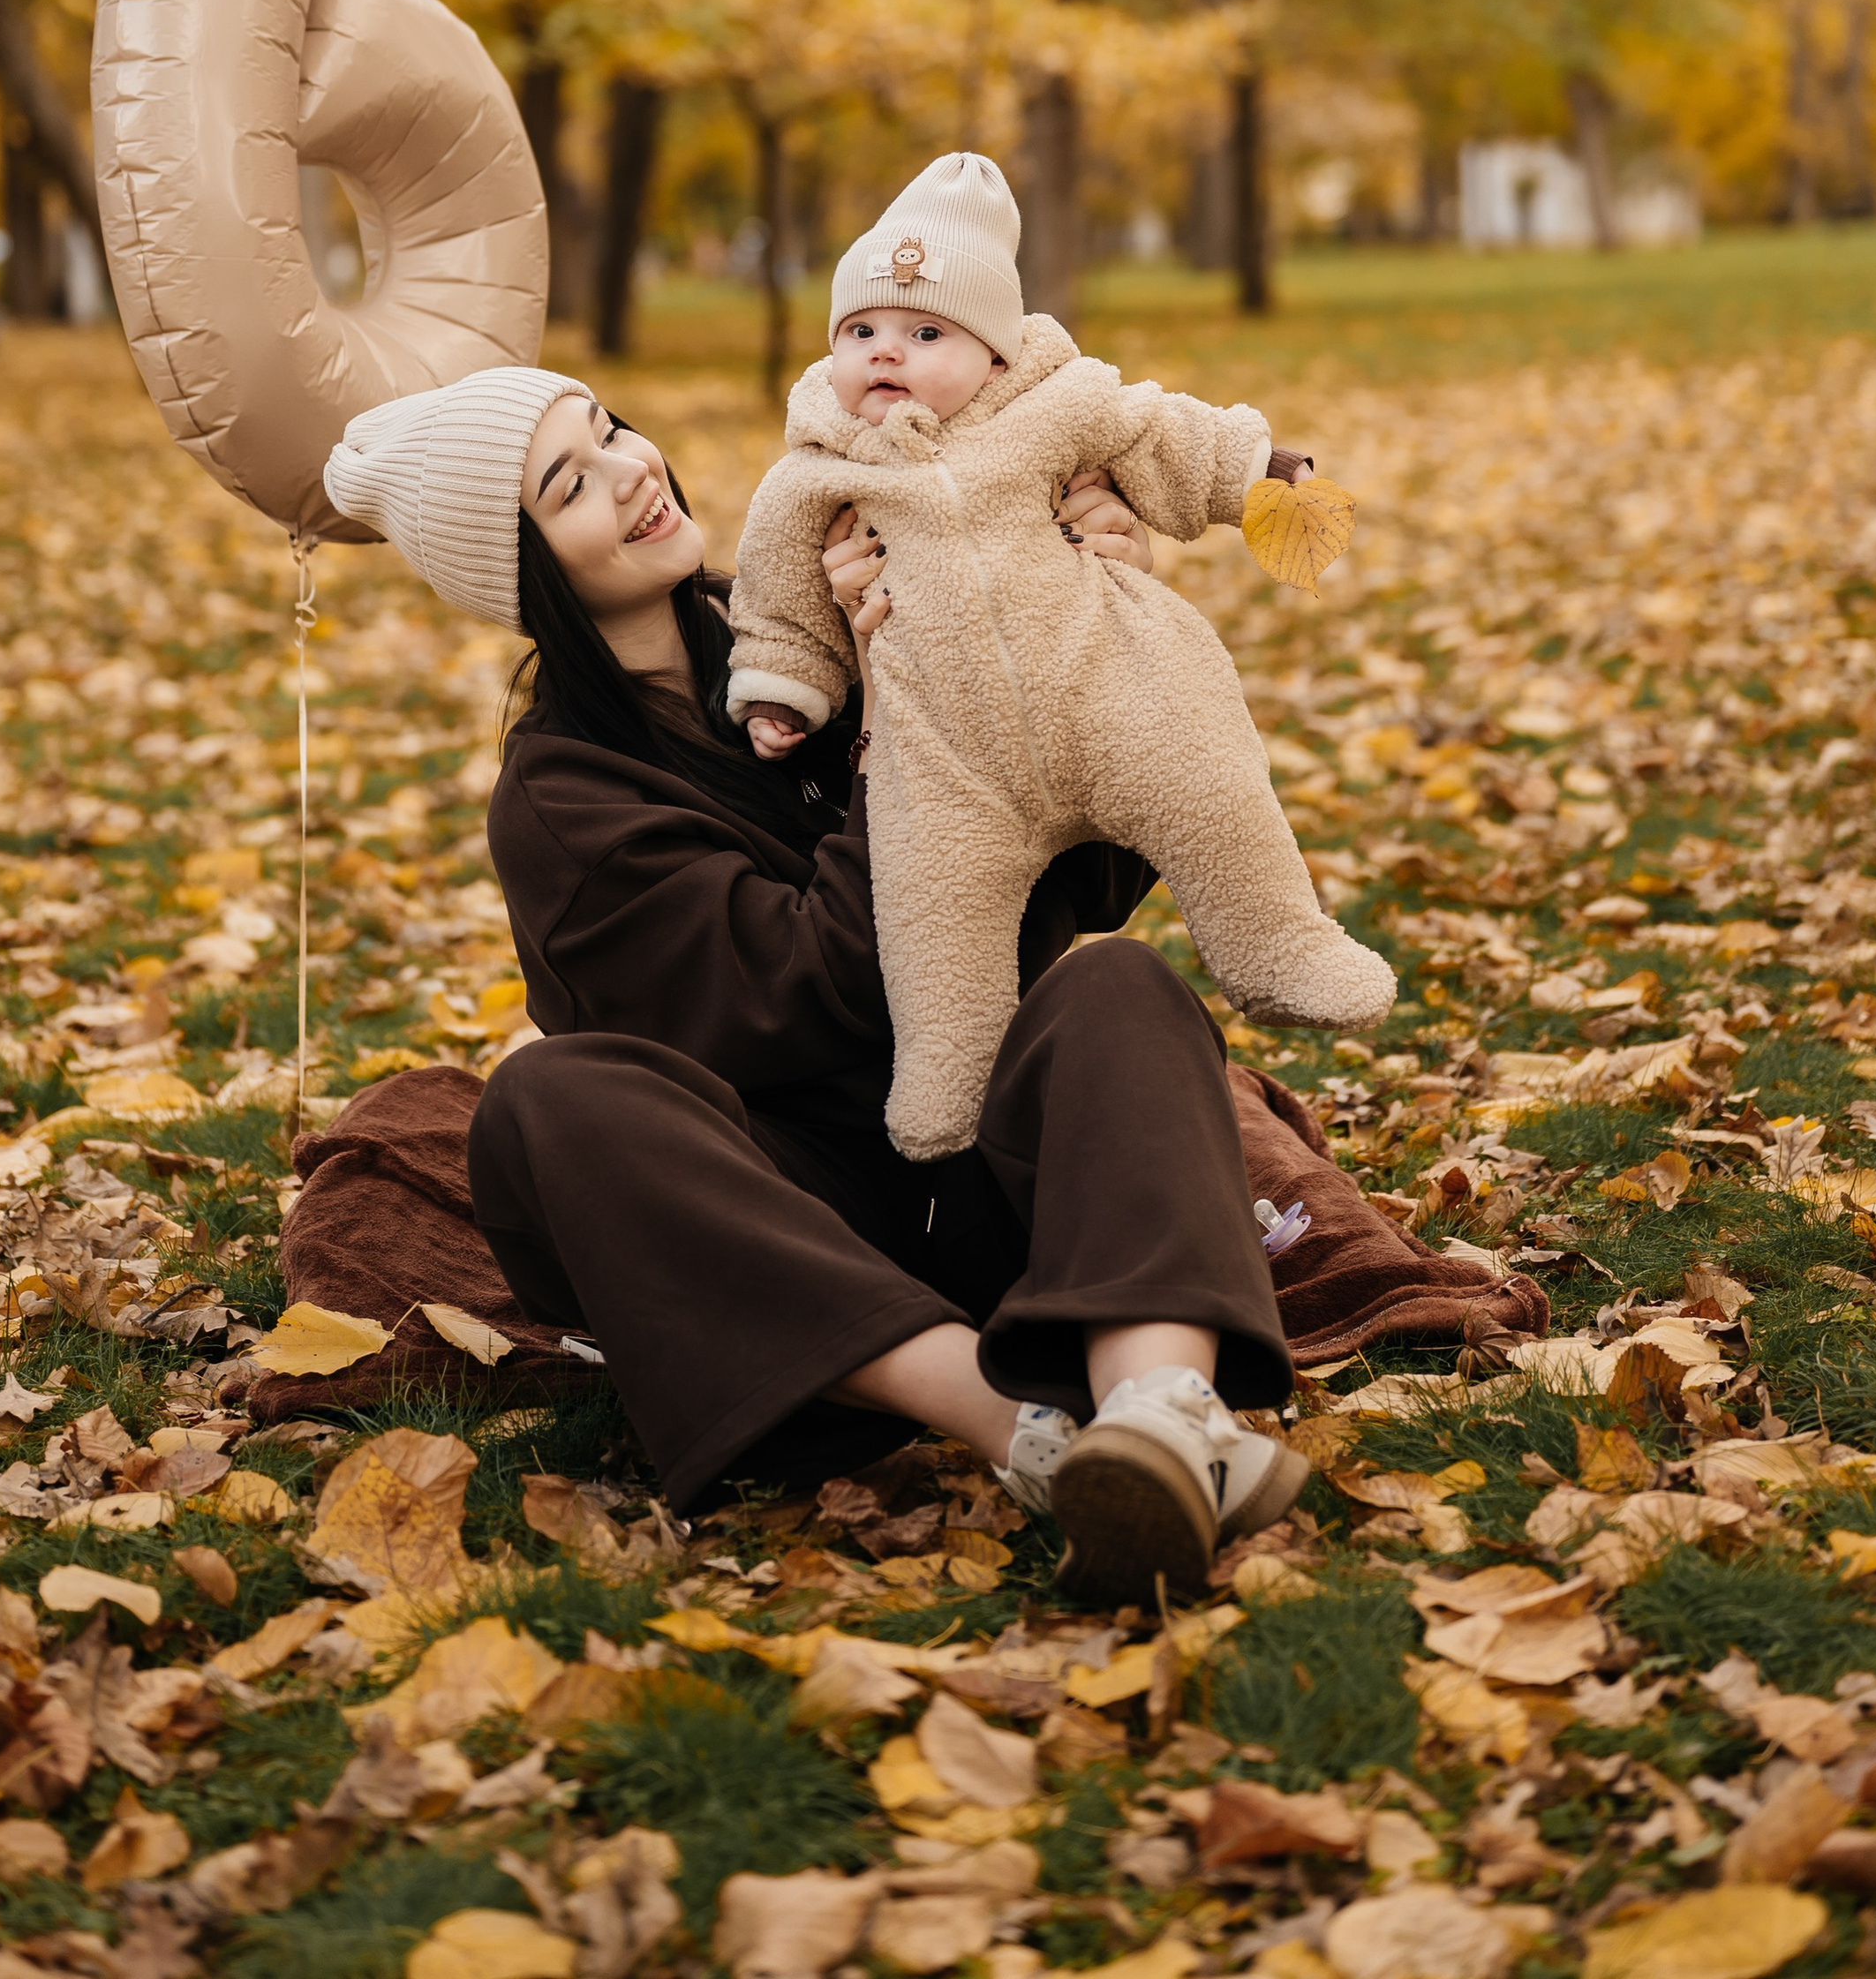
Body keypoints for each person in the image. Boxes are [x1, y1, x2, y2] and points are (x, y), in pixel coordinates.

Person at [320, 362, 1314, 1602]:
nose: (630, 469)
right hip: (786, 1231)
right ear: (522, 576)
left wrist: (1088, 633)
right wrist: (905, 707)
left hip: (984, 1169)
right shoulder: (564, 800)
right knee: (544, 1103)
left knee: (1116, 986)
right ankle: (1030, 1434)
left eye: (611, 427)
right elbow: (806, 995)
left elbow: (1067, 884)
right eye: (569, 484)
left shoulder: (798, 624)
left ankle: (1164, 1421)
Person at [727, 152, 1395, 1159]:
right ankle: (948, 1079)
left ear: (994, 355)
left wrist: (1257, 466)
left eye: (923, 332)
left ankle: (1278, 944)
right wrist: (783, 686)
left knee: (1211, 789)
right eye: (859, 332)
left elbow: (1164, 429)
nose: (884, 353)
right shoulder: (811, 473)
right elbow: (778, 591)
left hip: (1111, 692)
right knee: (930, 906)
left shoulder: (1057, 405)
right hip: (946, 757)